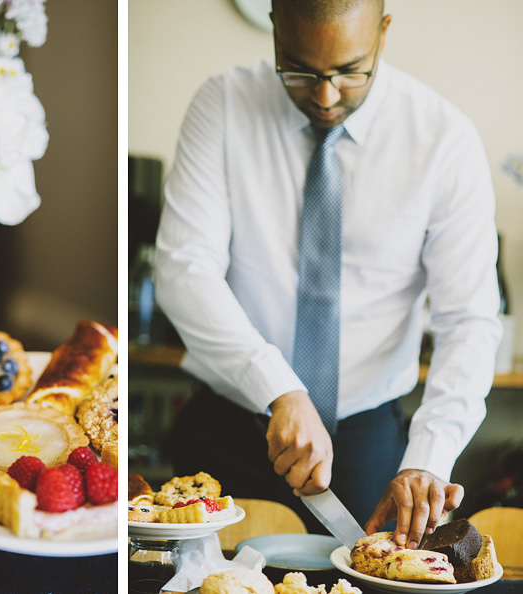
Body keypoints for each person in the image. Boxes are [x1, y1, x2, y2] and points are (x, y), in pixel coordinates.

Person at [154, 0, 502, 550]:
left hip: (369, 445)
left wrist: (429, 458)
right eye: (299, 71)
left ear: (383, 32)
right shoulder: (222, 105)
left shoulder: (444, 138)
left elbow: (470, 321)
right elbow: (183, 268)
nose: (325, 96)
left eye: (350, 72)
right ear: (275, 26)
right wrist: (279, 387)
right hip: (230, 423)